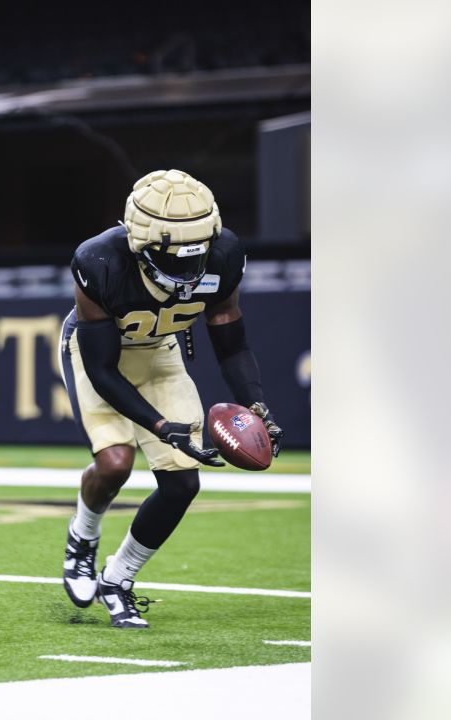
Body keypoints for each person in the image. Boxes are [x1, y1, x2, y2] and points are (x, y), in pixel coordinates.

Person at [59, 169, 283, 628]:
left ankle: (117, 581)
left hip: (161, 355)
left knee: (182, 482)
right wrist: (160, 426)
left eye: (195, 256)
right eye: (173, 258)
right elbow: (102, 370)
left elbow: (232, 343)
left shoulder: (224, 255)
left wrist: (257, 405)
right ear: (140, 242)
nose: (187, 270)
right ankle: (82, 538)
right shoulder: (98, 262)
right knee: (116, 463)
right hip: (100, 357)